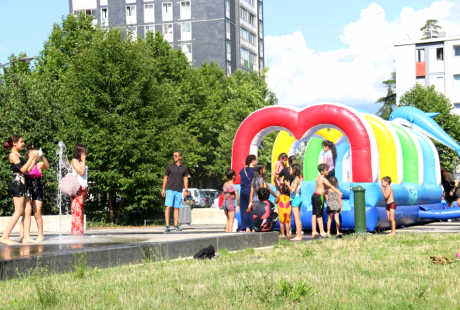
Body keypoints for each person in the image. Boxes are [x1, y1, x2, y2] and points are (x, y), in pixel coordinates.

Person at [0, 135, 39, 245]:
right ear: (14, 143)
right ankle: (5, 237)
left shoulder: (19, 154)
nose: (23, 144)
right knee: (18, 211)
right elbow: (22, 169)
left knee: (27, 210)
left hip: (24, 181)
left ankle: (25, 237)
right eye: (21, 142)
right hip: (18, 182)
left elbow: (27, 170)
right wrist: (31, 157)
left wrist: (34, 160)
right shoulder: (12, 155)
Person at [19, 145, 50, 242]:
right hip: (27, 189)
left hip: (37, 190)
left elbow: (47, 166)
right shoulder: (25, 165)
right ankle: (22, 235)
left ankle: (40, 234)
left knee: (37, 213)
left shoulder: (39, 164)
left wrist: (42, 156)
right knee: (25, 213)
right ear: (28, 157)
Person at [312, 164, 342, 239]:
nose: (328, 171)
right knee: (319, 215)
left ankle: (314, 231)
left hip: (314, 195)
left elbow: (317, 182)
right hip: (319, 197)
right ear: (322, 171)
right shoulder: (323, 179)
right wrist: (338, 192)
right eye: (326, 170)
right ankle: (322, 232)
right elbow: (331, 186)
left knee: (315, 214)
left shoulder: (318, 177)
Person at [161, 151, 189, 232]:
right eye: (173, 156)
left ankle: (176, 225)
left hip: (179, 190)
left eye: (176, 156)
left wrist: (186, 190)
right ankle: (167, 225)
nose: (174, 157)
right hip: (169, 189)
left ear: (180, 157)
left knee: (177, 208)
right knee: (168, 207)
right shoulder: (170, 166)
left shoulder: (184, 167)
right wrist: (163, 189)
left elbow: (186, 179)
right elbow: (165, 177)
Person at [70, 144, 88, 235]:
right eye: (85, 151)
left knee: (80, 211)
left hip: (83, 189)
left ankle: (80, 232)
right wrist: (83, 161)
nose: (86, 152)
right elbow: (81, 172)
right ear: (80, 152)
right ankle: (76, 233)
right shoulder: (74, 160)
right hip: (78, 189)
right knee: (77, 211)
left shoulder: (80, 161)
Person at [284, 164, 303, 241]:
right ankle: (298, 235)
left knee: (296, 218)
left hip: (295, 199)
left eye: (290, 169)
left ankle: (298, 235)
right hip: (295, 198)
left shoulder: (296, 180)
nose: (289, 171)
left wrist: (288, 185)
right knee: (297, 218)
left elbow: (293, 190)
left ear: (294, 170)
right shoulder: (296, 179)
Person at [239, 155, 257, 232]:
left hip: (242, 190)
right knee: (252, 208)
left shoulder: (242, 170)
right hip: (251, 190)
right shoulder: (255, 170)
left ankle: (246, 227)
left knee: (244, 209)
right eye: (255, 160)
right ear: (253, 160)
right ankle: (253, 227)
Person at [223, 168, 240, 233]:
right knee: (231, 220)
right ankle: (229, 236)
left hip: (225, 203)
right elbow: (238, 197)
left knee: (228, 220)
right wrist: (238, 205)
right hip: (231, 203)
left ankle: (226, 234)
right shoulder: (233, 186)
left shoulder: (225, 184)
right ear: (233, 176)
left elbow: (224, 195)